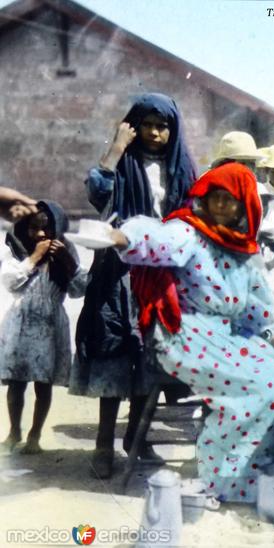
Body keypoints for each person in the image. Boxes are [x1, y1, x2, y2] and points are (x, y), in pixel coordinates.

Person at [107, 162, 274, 503]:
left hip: (229, 338)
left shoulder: (246, 256)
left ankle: (260, 477)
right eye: (214, 196)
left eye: (229, 200)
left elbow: (266, 320)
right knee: (262, 385)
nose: (219, 205)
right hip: (184, 334)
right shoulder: (190, 232)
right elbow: (155, 236)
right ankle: (224, 480)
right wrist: (122, 236)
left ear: (243, 205)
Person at [70, 93, 197, 478]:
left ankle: (136, 441)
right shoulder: (122, 162)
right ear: (134, 127)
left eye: (163, 126)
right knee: (113, 350)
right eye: (147, 125)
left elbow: (192, 214)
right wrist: (114, 149)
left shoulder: (182, 169)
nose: (155, 133)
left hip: (160, 270)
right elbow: (98, 196)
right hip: (119, 268)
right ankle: (104, 444)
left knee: (150, 354)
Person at [1, 202, 87, 454]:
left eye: (46, 229)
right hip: (22, 322)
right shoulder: (16, 250)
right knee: (17, 382)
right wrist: (34, 257)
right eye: (33, 228)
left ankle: (34, 435)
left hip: (50, 324)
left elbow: (79, 289)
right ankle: (14, 430)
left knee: (43, 383)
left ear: (57, 228)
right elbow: (10, 282)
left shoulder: (64, 253)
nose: (40, 234)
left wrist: (68, 261)